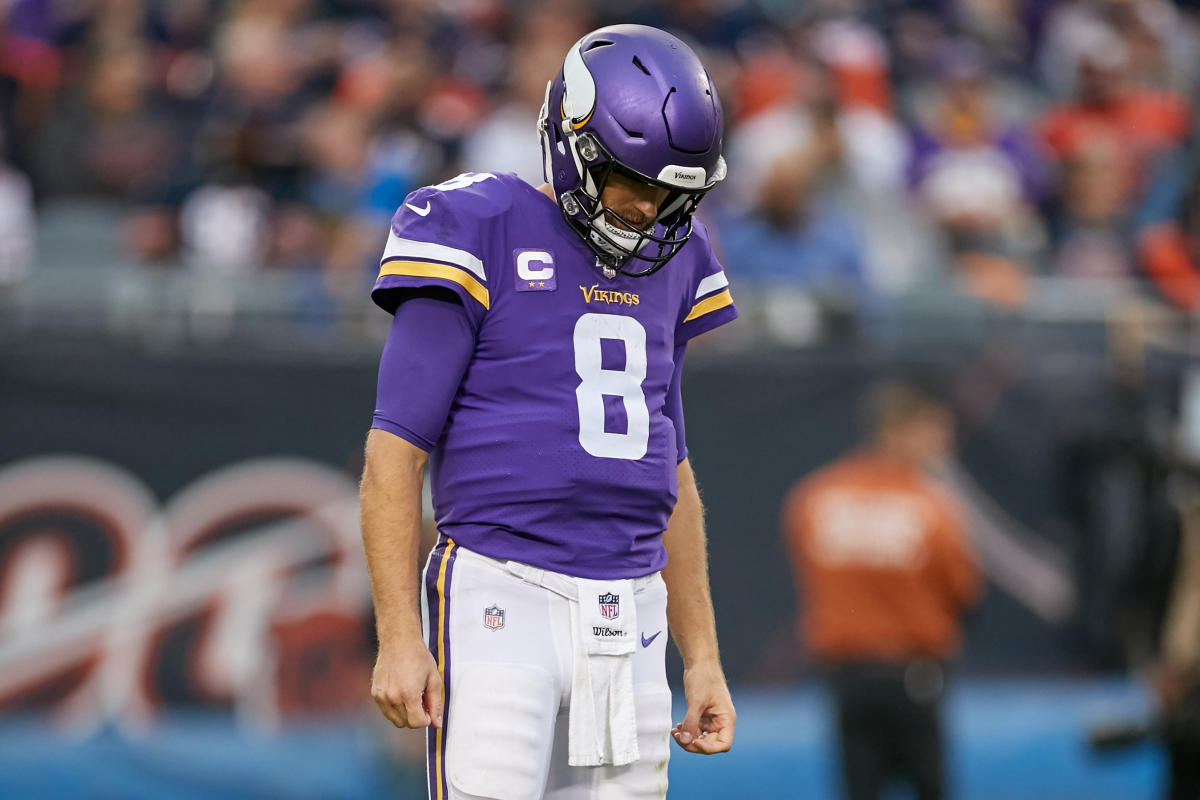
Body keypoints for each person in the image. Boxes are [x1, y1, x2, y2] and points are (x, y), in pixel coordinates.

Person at [358, 25, 738, 800]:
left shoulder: (681, 257)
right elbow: (393, 453)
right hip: (504, 592)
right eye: (632, 178)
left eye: (671, 189)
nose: (650, 206)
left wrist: (702, 655)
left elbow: (669, 465)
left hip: (634, 610)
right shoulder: (480, 222)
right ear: (572, 144)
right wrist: (399, 634)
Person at [782, 380, 981, 800]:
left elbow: (808, 570)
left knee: (859, 787)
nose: (941, 442)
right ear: (896, 431)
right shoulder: (932, 505)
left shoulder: (814, 496)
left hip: (846, 676)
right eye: (931, 430)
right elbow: (964, 592)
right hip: (914, 676)